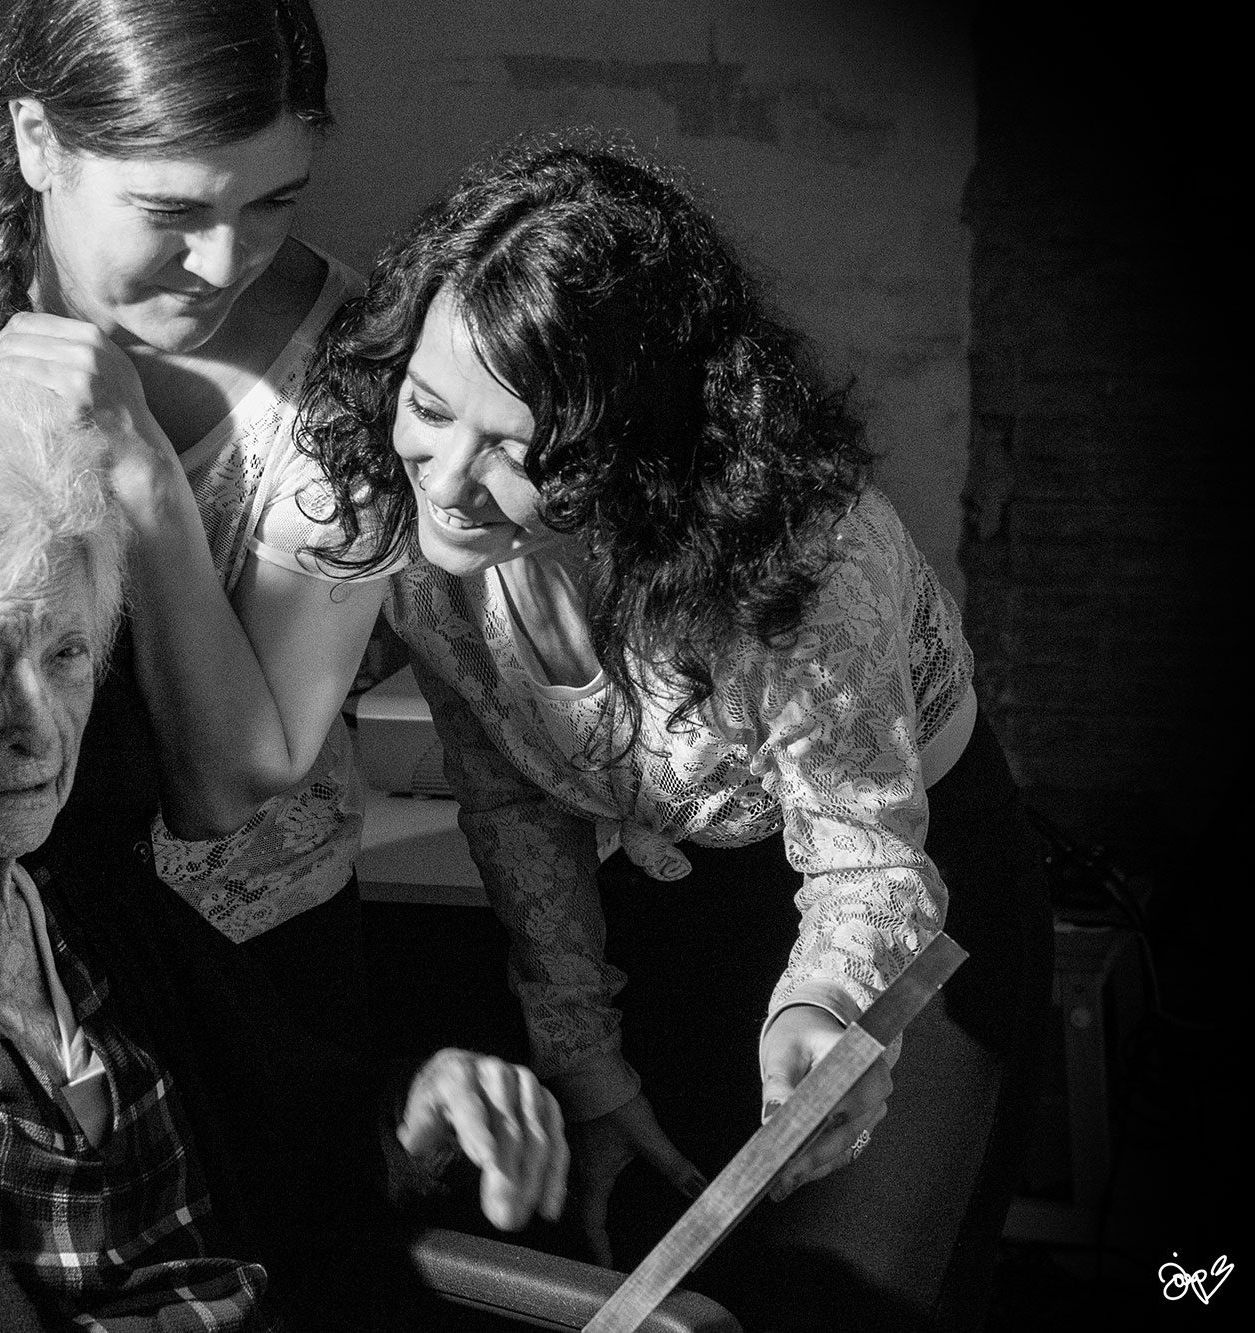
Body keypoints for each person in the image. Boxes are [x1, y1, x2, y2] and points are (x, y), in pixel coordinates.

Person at [298, 137, 1052, 1330]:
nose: (444, 479)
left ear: (628, 451)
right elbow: (512, 793)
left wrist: (818, 1013)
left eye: (518, 452)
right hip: (684, 883)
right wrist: (585, 1059)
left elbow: (863, 861)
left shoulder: (799, 563)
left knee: (845, 1298)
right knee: (659, 1269)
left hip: (908, 883)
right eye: (429, 410)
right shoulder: (420, 544)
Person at [0, 374, 567, 1332]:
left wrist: (423, 1109)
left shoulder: (95, 900)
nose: (40, 728)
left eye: (65, 656)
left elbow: (309, 1134)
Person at [0, 0, 391, 1035]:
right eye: (171, 210)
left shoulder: (349, 372)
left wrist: (144, 470)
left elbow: (226, 788)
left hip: (254, 973)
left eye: (273, 202)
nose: (224, 262)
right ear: (39, 141)